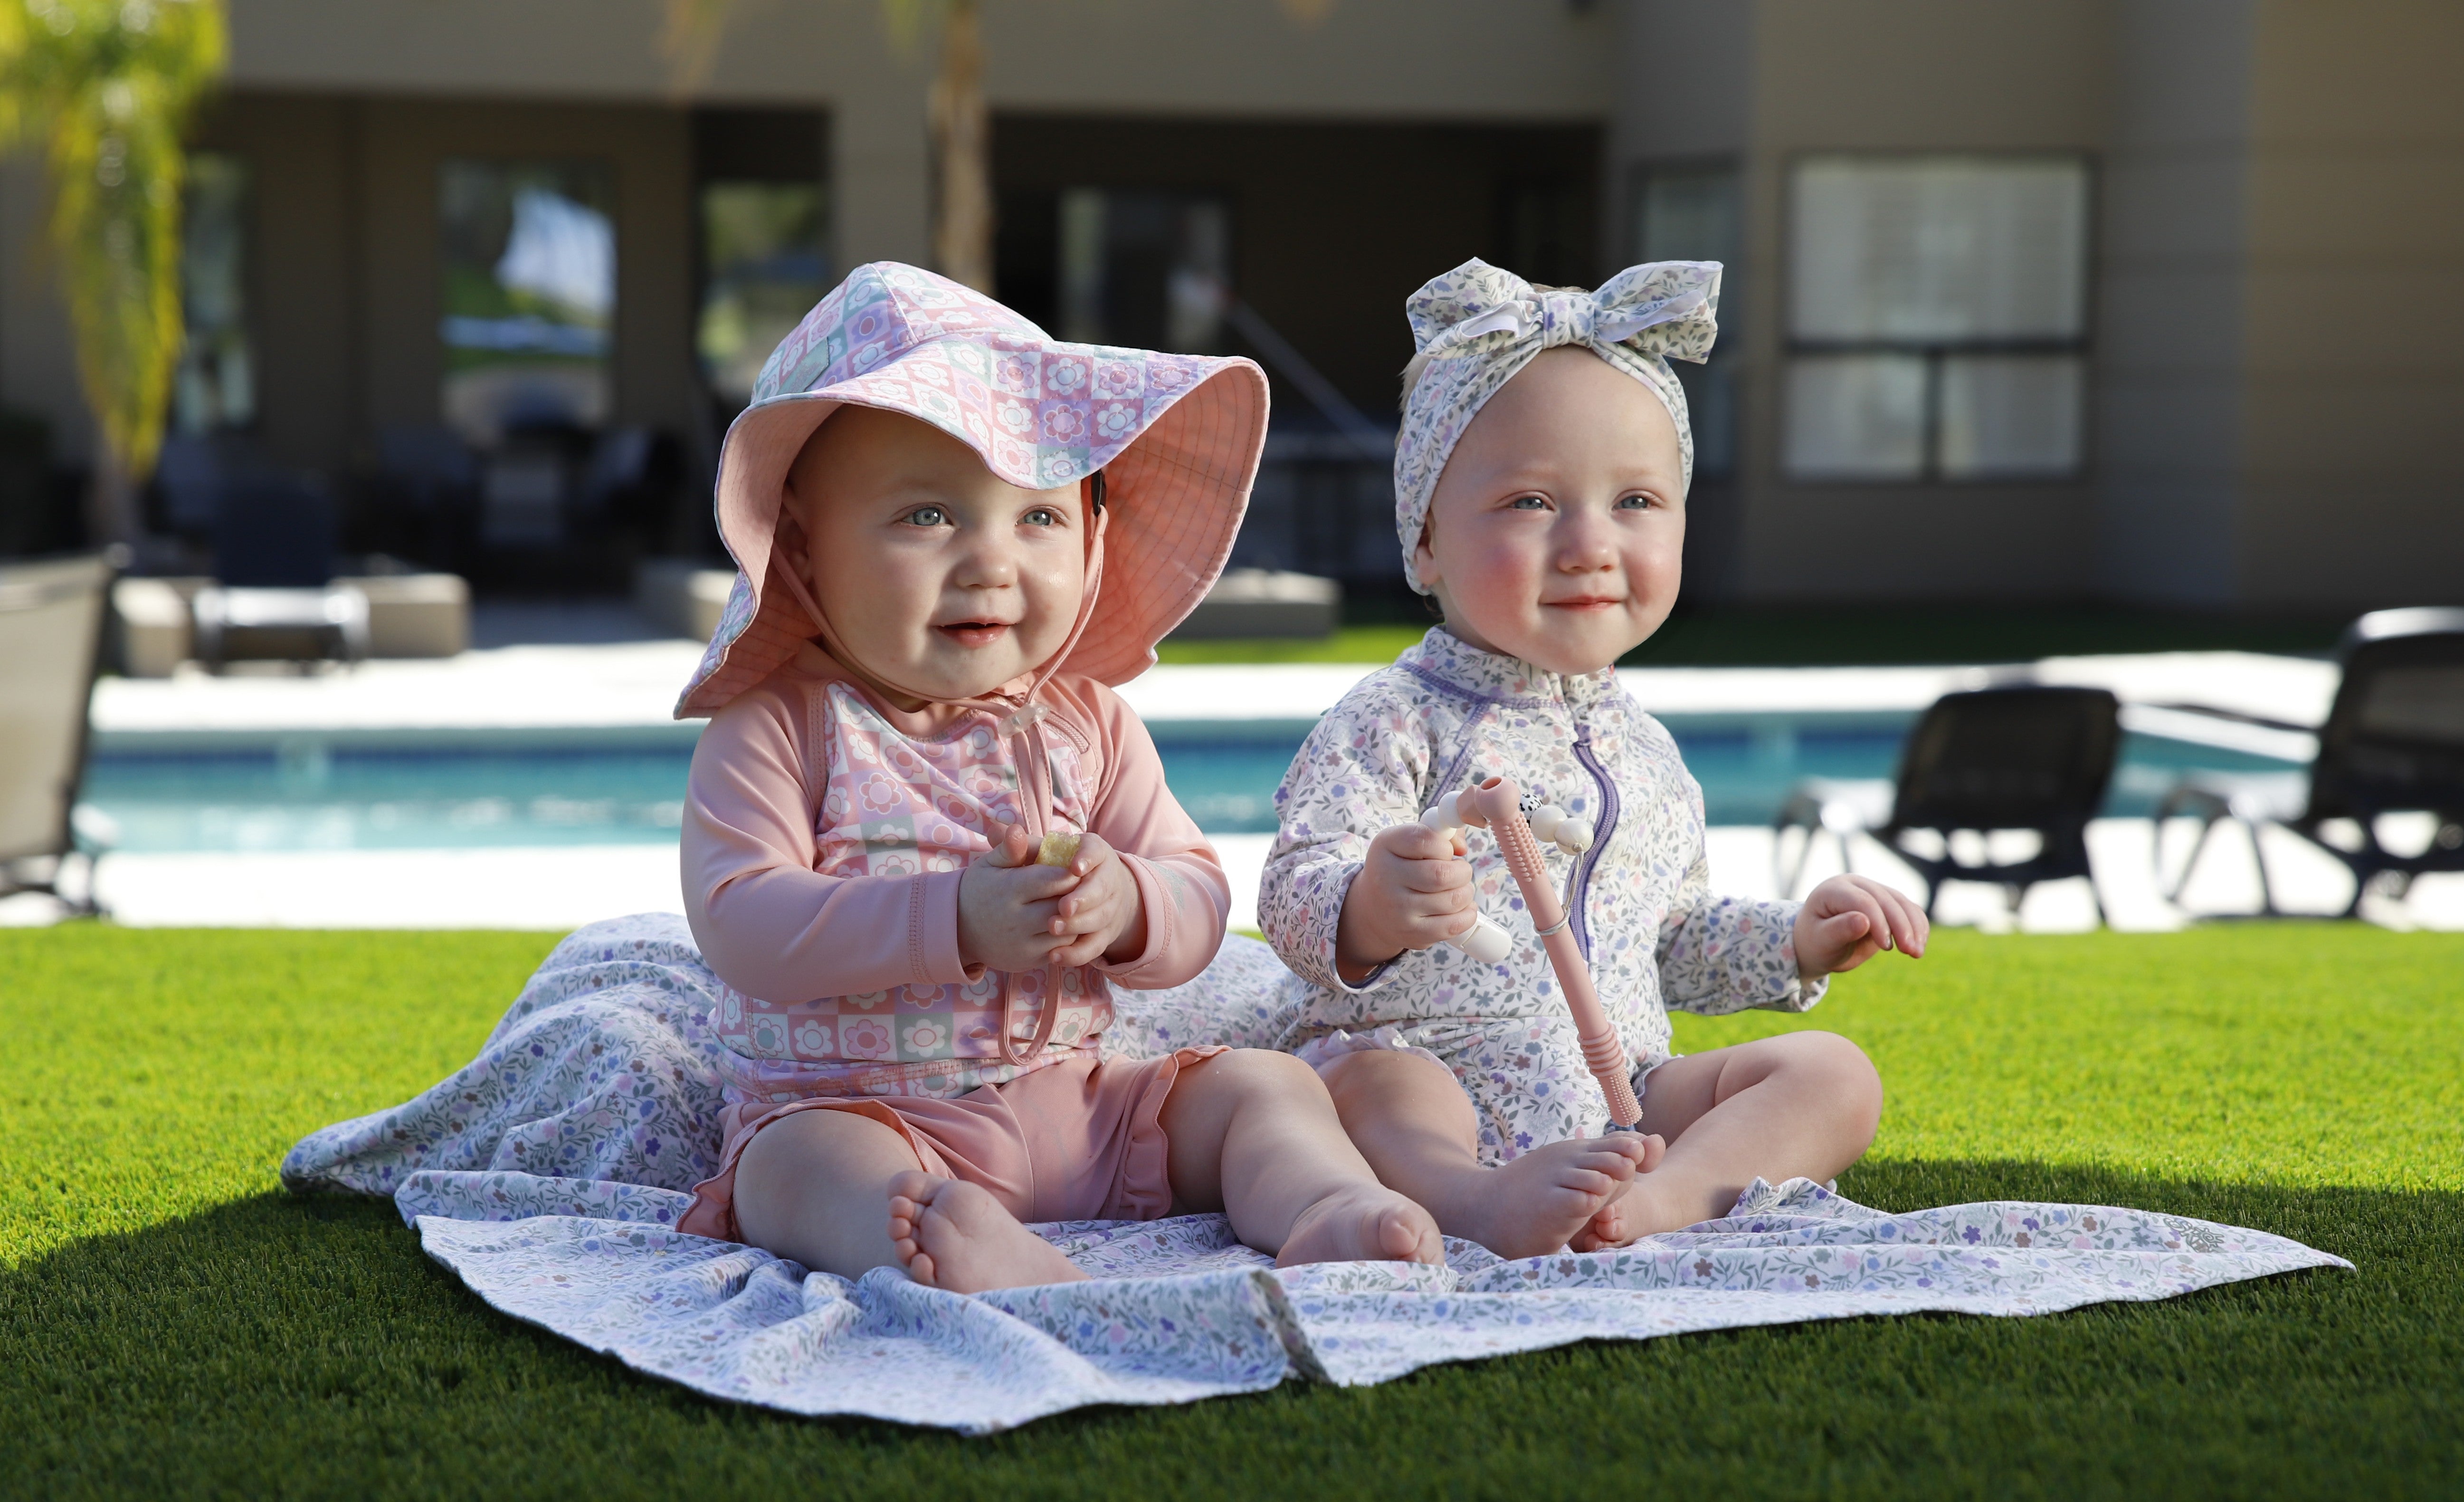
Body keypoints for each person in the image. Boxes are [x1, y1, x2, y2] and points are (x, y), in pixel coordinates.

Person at [673, 263, 1441, 1292]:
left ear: (1094, 538)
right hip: (865, 1107)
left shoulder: (1089, 724)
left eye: (1037, 517)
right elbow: (743, 923)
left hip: (1078, 1105)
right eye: (926, 518)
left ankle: (1320, 1203)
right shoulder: (785, 728)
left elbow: (1197, 896)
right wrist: (957, 919)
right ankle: (932, 1230)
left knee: (1261, 1088)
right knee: (795, 1170)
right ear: (804, 551)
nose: (991, 562)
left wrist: (1129, 905)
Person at [1259, 258, 1928, 1259]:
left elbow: (1667, 944)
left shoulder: (1644, 751)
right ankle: (1472, 1201)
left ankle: (1663, 1197)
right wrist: (1368, 905)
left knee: (1831, 1073)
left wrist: (1793, 942)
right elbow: (1288, 898)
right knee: (1365, 1086)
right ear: (1427, 539)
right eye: (1531, 503)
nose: (1586, 544)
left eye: (1635, 503)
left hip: (1621, 1095)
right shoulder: (1393, 721)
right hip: (1429, 1067)